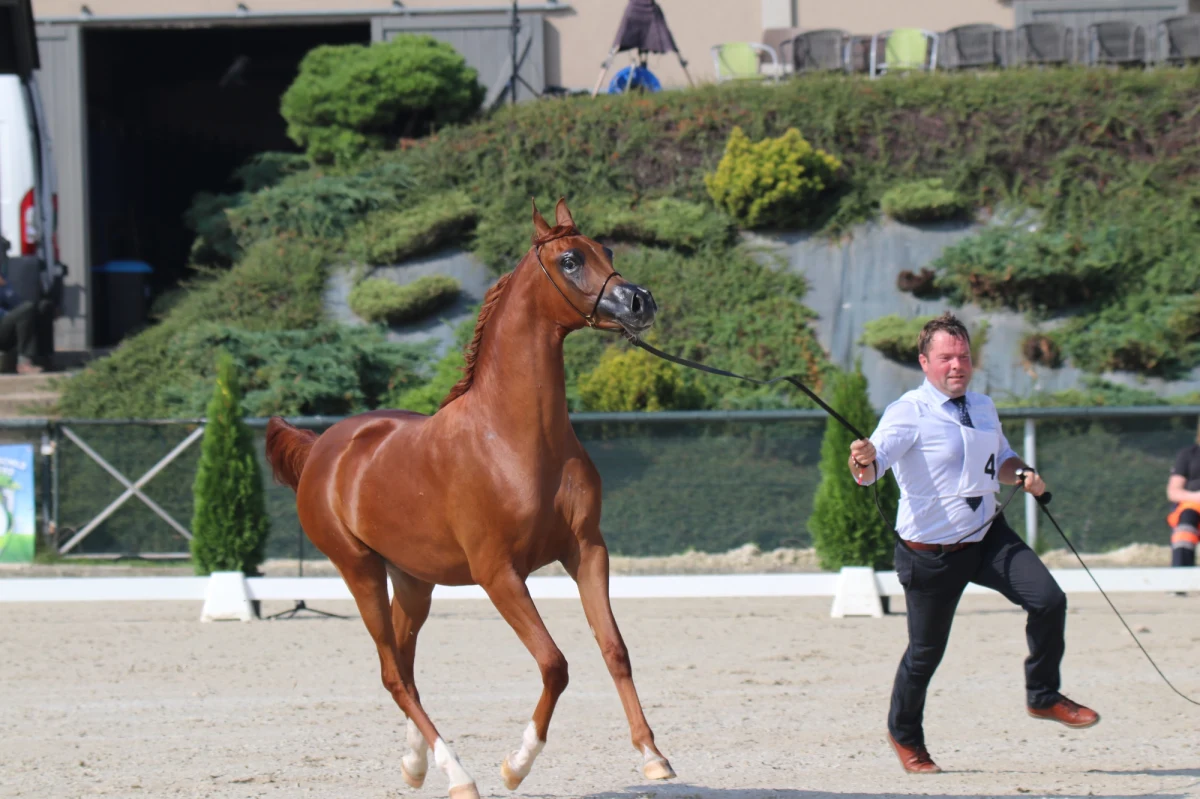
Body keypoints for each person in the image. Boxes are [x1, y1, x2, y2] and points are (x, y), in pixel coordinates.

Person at [848, 312, 1098, 775]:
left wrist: (1021, 473)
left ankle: (1042, 694)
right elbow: (872, 469)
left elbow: (1001, 458)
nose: (957, 365)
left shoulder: (982, 406)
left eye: (963, 356)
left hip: (987, 536)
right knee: (925, 654)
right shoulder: (907, 411)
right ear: (925, 362)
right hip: (931, 554)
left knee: (1049, 600)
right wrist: (861, 460)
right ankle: (905, 735)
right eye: (946, 357)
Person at [1166, 428, 1200, 569]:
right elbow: (1173, 492)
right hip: (1193, 506)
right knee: (1186, 522)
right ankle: (1181, 575)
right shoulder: (1188, 455)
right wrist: (1196, 497)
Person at [0, 275, 44, 374]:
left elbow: (16, 302)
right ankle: (23, 363)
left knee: (43, 307)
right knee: (26, 309)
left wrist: (4, 287)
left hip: (6, 327)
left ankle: (44, 360)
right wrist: (10, 314)